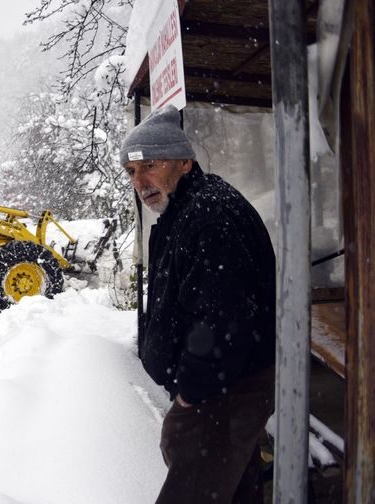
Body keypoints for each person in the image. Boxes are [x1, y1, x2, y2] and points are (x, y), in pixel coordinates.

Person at [121, 105, 276, 503]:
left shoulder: (210, 216)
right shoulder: (184, 210)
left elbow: (223, 324)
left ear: (184, 162)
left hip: (221, 396)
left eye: (150, 165)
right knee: (235, 490)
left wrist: (190, 395)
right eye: (132, 171)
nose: (141, 181)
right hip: (218, 392)